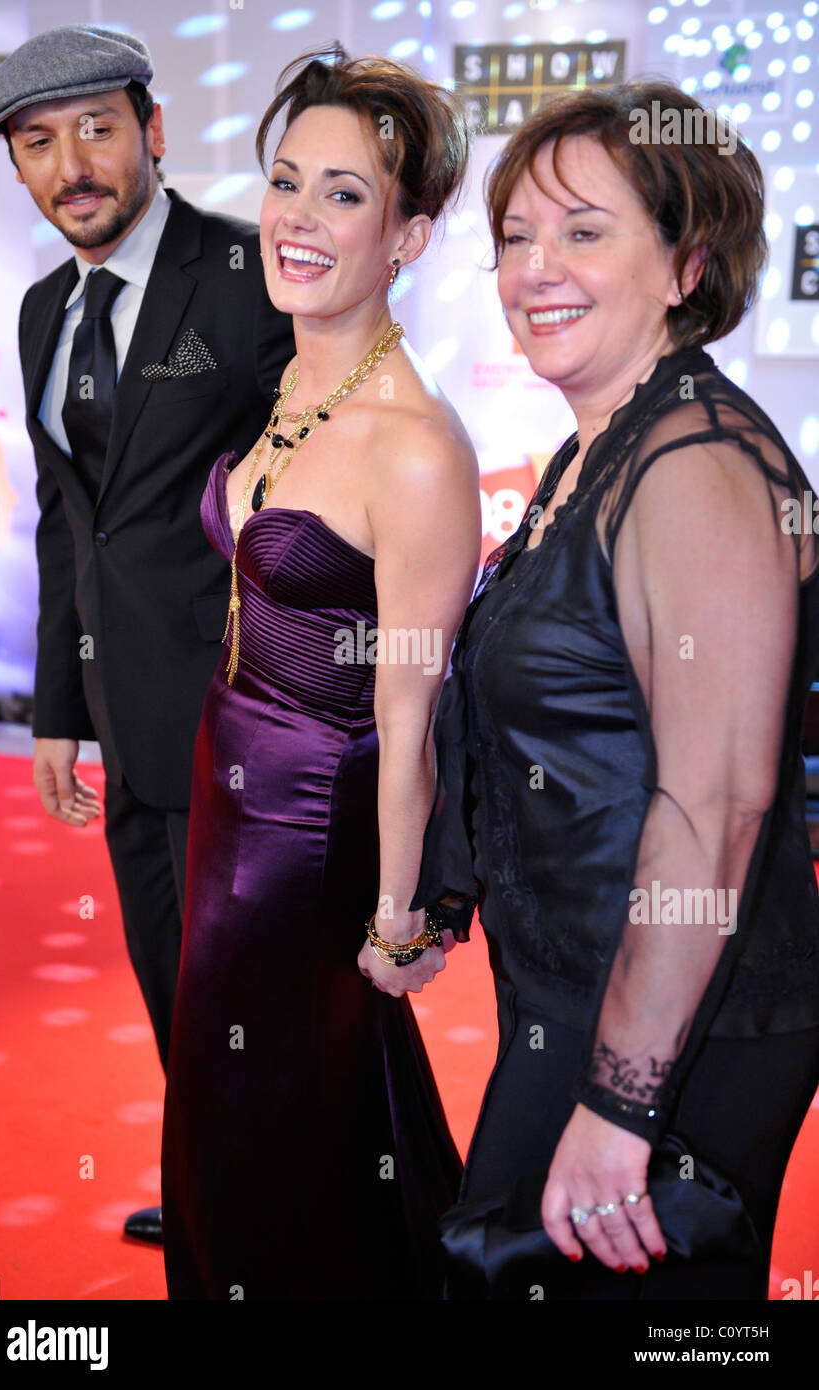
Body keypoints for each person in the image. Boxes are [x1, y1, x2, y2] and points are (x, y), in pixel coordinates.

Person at [409, 81, 819, 1299]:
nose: (537, 266)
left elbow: (718, 805)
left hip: (676, 1023)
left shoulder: (695, 464)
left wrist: (619, 1104)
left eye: (583, 232)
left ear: (687, 262)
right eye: (517, 237)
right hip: (578, 984)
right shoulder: (602, 443)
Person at [160, 45, 481, 1299]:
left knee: (291, 1112)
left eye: (345, 194)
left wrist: (399, 915)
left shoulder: (415, 448)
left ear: (407, 235)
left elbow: (411, 716)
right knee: (219, 1103)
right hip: (226, 789)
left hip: (310, 830)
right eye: (286, 181)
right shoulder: (295, 369)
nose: (297, 217)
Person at [0, 25, 296, 1245]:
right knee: (172, 978)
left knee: (261, 988)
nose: (73, 166)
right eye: (38, 144)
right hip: (126, 726)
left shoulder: (252, 268)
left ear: (154, 132)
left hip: (249, 719)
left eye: (98, 128)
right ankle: (224, 1184)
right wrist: (60, 707)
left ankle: (291, 1210)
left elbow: (321, 480)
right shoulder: (42, 308)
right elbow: (74, 526)